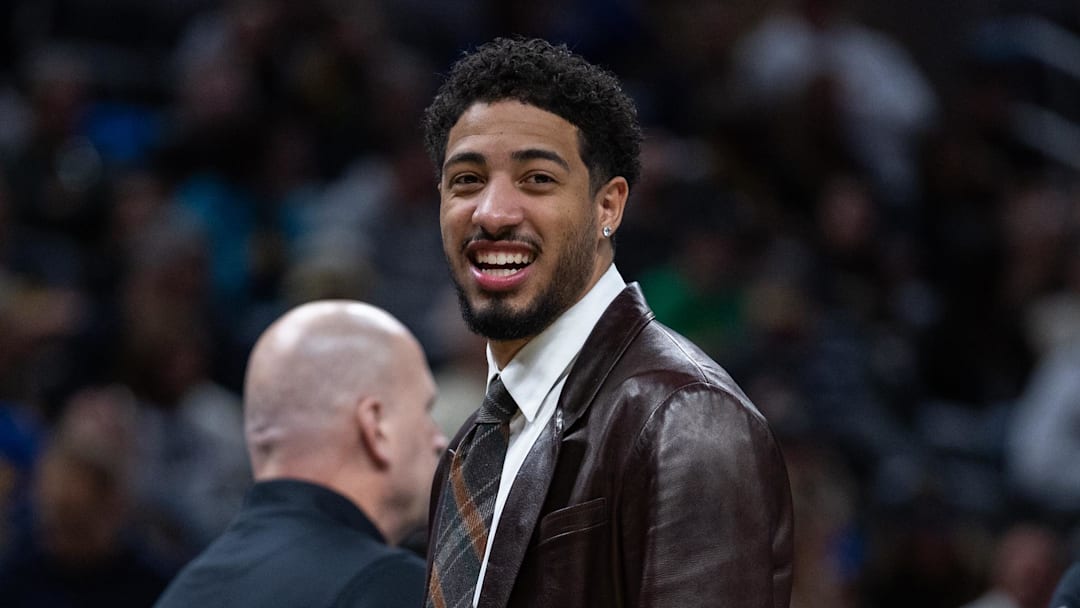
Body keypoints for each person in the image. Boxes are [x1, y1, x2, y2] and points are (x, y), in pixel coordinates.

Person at [421, 37, 793, 608]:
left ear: (608, 206)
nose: (492, 213)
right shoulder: (474, 442)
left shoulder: (685, 417)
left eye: (537, 179)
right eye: (467, 180)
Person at [153, 300, 448, 607]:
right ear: (376, 427)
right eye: (426, 409)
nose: (438, 439)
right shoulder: (393, 588)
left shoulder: (184, 592)